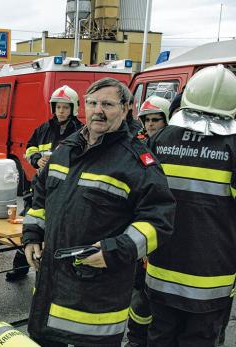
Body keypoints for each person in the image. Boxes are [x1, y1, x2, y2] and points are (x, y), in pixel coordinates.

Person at [22, 77, 175, 347]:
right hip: (50, 292)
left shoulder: (136, 162)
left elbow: (158, 219)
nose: (97, 110)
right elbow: (42, 192)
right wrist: (33, 233)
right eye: (92, 103)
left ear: (127, 107)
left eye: (107, 103)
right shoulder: (67, 148)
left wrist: (116, 250)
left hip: (96, 301)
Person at [146, 64, 236, 347]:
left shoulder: (161, 139)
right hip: (212, 278)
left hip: (161, 268)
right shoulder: (233, 147)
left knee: (160, 336)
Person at [6, 85, 83, 282]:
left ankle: (49, 274)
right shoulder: (44, 129)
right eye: (58, 107)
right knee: (31, 227)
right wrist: (37, 159)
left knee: (56, 233)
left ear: (73, 108)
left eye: (65, 108)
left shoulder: (81, 132)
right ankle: (21, 267)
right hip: (40, 189)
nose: (61, 111)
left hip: (65, 191)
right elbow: (30, 148)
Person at [125, 95, 171, 347]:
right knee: (139, 294)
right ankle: (135, 340)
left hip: (163, 231)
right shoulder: (137, 145)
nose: (151, 124)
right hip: (139, 228)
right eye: (147, 120)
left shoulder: (172, 150)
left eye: (156, 119)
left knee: (158, 295)